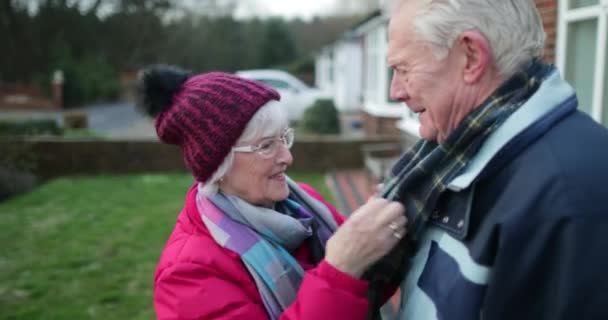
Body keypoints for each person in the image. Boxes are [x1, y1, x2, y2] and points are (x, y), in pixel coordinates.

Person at [365, 0, 608, 319]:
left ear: (471, 57)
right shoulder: (453, 159)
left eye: (403, 69)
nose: (395, 92)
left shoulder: (567, 198)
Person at [136, 65, 406, 320]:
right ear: (219, 166)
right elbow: (345, 279)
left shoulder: (303, 204)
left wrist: (382, 229)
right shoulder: (187, 274)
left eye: (284, 138)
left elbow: (366, 290)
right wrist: (339, 270)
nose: (287, 157)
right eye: (266, 146)